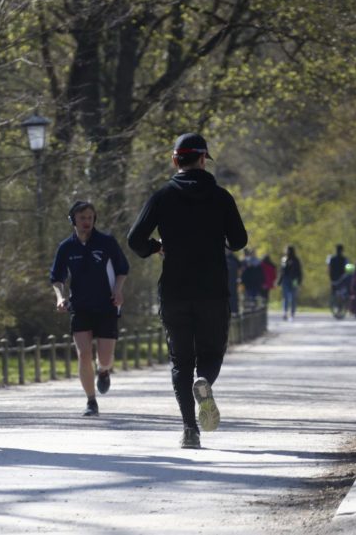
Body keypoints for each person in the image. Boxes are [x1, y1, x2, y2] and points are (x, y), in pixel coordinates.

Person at [127, 132, 247, 450]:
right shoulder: (221, 197)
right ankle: (203, 379)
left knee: (180, 361)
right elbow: (239, 241)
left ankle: (189, 429)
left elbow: (135, 240)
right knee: (211, 354)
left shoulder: (162, 196)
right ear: (204, 159)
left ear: (175, 160)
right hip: (212, 289)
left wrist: (158, 247)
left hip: (175, 290)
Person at [49, 201, 129, 417]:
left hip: (107, 306)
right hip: (80, 307)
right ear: (73, 220)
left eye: (90, 218)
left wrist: (118, 291)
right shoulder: (66, 247)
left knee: (104, 359)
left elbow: (122, 269)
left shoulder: (106, 242)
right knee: (84, 355)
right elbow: (57, 278)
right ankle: (91, 401)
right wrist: (59, 298)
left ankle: (103, 372)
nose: (86, 222)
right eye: (82, 218)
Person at [277, 246, 303, 321]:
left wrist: (299, 281)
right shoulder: (284, 259)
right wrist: (279, 281)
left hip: (294, 280)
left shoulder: (296, 260)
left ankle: (292, 313)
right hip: (285, 280)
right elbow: (281, 271)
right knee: (285, 297)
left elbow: (299, 271)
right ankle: (285, 312)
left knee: (293, 297)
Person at [225, 249, 240, 315]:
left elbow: (241, 268)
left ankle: (233, 311)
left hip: (232, 281)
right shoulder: (232, 259)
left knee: (232, 296)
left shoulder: (234, 259)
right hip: (228, 281)